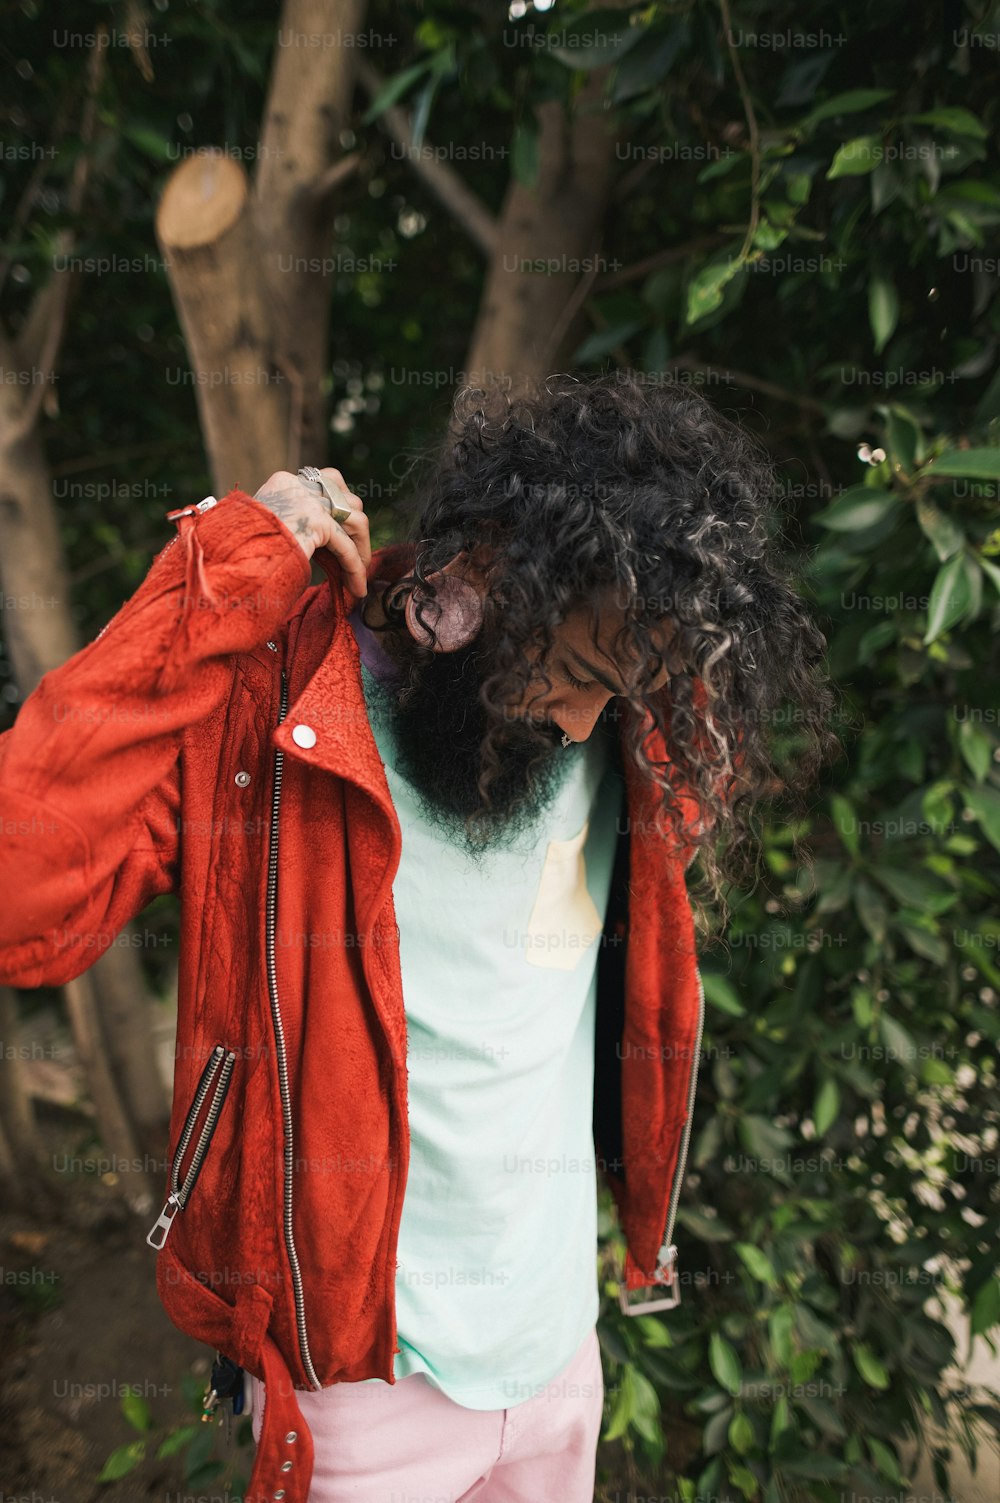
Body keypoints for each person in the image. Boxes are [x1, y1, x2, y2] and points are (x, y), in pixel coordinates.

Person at [0, 372, 834, 1502]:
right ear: (479, 571)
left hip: (554, 1353)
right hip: (358, 1384)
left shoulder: (627, 736)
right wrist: (230, 564)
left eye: (620, 687)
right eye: (581, 675)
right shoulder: (272, 706)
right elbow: (23, 894)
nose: (585, 722)